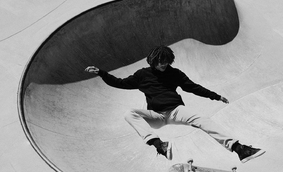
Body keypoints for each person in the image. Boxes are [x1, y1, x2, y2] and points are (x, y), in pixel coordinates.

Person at [85, 45, 265, 163]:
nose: (164, 65)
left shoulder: (175, 73)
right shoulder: (142, 75)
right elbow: (120, 83)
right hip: (156, 115)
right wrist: (101, 73)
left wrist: (215, 96)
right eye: (161, 62)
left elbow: (192, 87)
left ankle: (239, 149)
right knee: (129, 113)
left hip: (176, 111)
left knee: (203, 120)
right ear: (153, 60)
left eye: (167, 62)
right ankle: (159, 145)